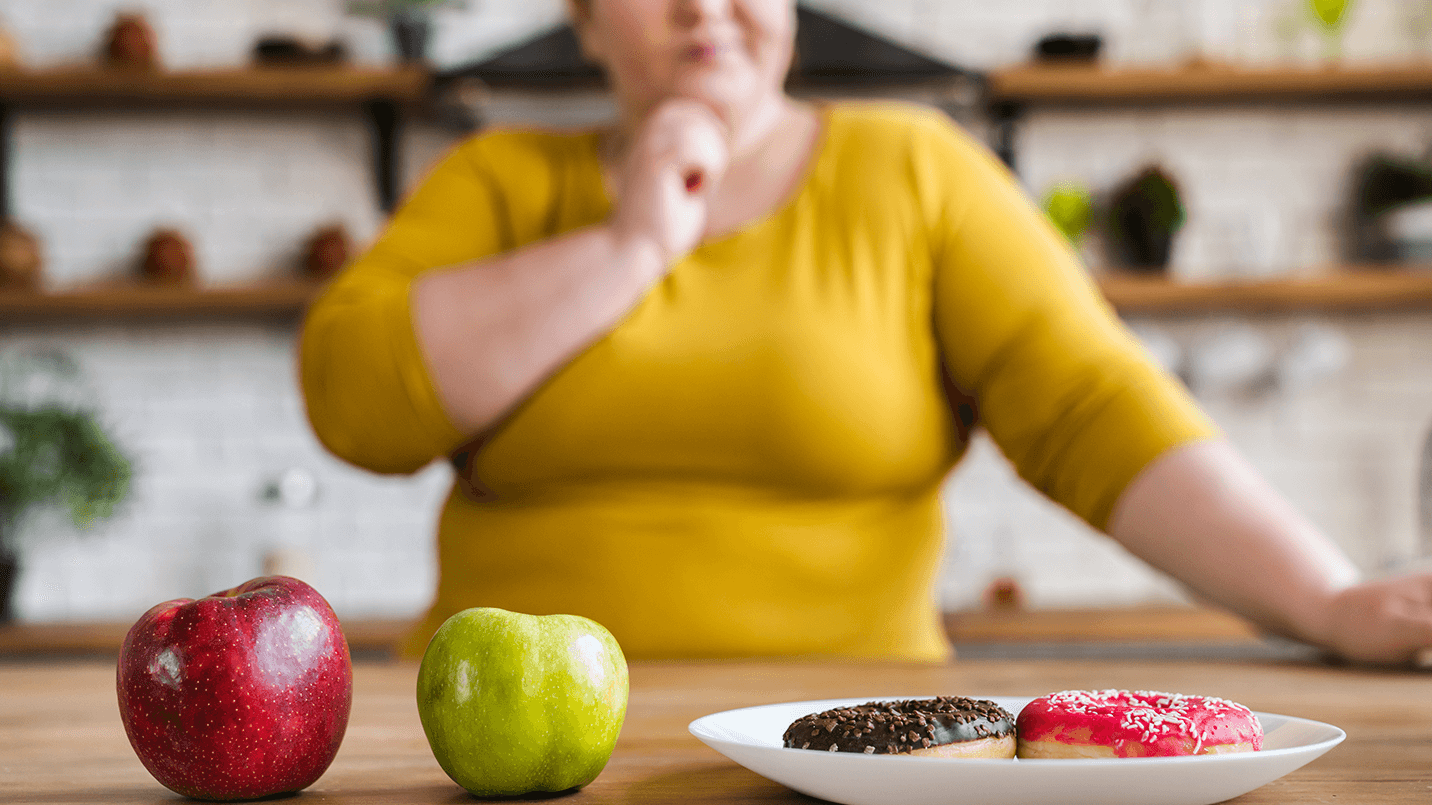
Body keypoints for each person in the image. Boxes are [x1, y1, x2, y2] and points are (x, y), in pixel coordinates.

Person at [300, 0, 1432, 665]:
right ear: (586, 20)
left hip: (851, 747)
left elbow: (1094, 408)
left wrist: (1329, 602)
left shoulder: (917, 167)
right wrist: (634, 245)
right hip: (506, 755)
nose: (703, 6)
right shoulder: (496, 178)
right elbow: (359, 400)